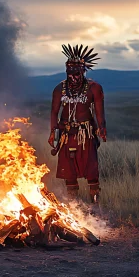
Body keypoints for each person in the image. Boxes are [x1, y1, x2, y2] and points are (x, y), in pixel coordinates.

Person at [48, 44, 107, 205]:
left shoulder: (94, 88)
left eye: (76, 73)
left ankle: (95, 204)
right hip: (66, 135)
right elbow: (54, 112)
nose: (72, 76)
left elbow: (99, 112)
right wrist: (53, 132)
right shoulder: (59, 89)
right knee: (69, 171)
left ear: (83, 71)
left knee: (91, 169)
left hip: (85, 134)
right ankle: (73, 207)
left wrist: (102, 128)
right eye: (69, 73)